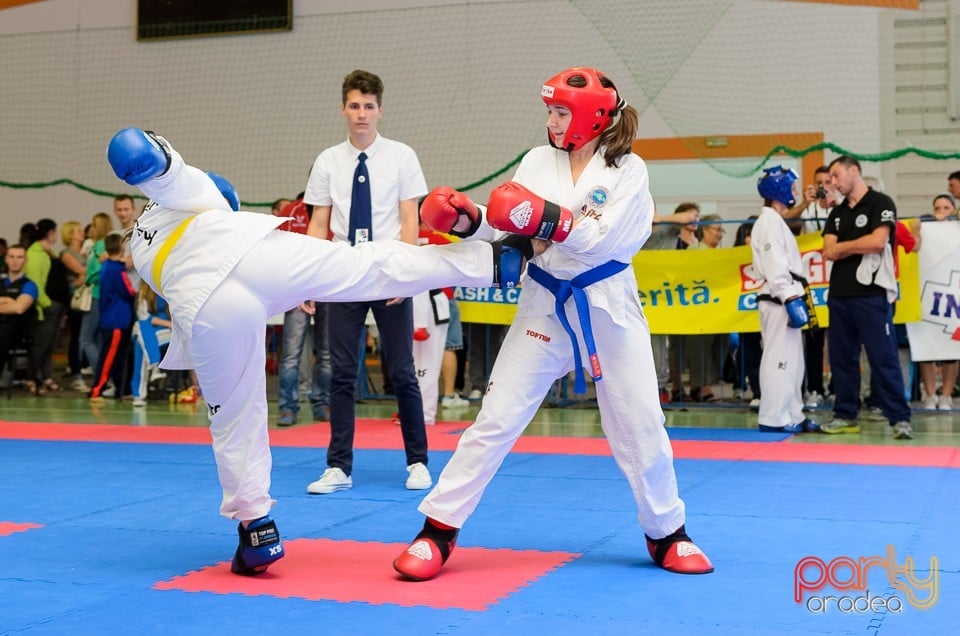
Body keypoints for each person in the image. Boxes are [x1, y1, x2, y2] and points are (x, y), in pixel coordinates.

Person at [106, 126, 529, 576]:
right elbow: (170, 175)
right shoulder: (197, 195)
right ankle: (491, 263)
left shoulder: (146, 242)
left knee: (234, 419)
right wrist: (155, 161)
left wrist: (150, 160)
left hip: (208, 303)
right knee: (368, 263)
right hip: (252, 255)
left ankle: (256, 532)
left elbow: (158, 171)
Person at [392, 67, 714, 581]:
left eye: (560, 112)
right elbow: (512, 225)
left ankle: (667, 532)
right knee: (494, 420)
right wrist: (466, 220)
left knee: (641, 424)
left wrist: (537, 216)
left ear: (590, 116)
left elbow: (592, 240)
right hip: (544, 302)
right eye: (550, 110)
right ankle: (437, 530)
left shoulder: (628, 170)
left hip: (607, 306)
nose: (551, 120)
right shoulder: (537, 161)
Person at [302, 69, 433, 495]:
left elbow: (410, 217)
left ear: (381, 109)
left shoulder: (402, 156)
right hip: (342, 272)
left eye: (369, 106)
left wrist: (409, 271)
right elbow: (319, 222)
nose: (362, 115)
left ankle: (418, 462)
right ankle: (338, 467)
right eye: (355, 106)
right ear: (343, 109)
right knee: (339, 372)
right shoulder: (327, 160)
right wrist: (305, 280)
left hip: (389, 268)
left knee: (401, 371)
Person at [821, 156, 913, 439]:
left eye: (836, 176)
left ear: (854, 171)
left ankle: (899, 418)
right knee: (842, 358)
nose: (833, 183)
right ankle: (845, 414)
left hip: (872, 296)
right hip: (839, 295)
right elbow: (828, 251)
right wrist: (856, 245)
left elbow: (877, 242)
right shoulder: (836, 214)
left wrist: (845, 247)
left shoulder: (881, 203)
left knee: (883, 357)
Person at [751, 167, 820, 433]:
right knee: (779, 359)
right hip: (779, 295)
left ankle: (793, 414)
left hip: (787, 291)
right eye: (791, 189)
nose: (794, 193)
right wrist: (789, 296)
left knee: (793, 361)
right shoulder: (768, 222)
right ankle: (772, 417)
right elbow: (773, 263)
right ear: (778, 191)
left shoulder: (776, 220)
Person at [274, 195, 331, 426]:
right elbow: (280, 251)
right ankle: (287, 407)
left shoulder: (336, 210)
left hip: (329, 291)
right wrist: (296, 289)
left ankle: (322, 403)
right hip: (296, 292)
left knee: (327, 355)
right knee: (290, 355)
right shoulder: (291, 210)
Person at [640, 204, 700, 403]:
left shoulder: (668, 228)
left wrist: (659, 218)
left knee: (658, 344)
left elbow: (691, 217)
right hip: (635, 295)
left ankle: (659, 387)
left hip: (661, 298)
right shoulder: (634, 227)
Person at [911, 194, 958, 410]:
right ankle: (930, 394)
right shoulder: (923, 229)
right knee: (925, 345)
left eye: (946, 207)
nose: (941, 211)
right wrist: (916, 228)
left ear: (954, 210)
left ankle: (947, 394)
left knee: (952, 347)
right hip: (927, 292)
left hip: (952, 295)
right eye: (937, 207)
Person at [88, 233, 136, 402]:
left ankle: (122, 389)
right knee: (109, 357)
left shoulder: (107, 266)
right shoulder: (117, 269)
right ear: (121, 248)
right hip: (116, 319)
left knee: (116, 356)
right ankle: (97, 389)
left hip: (112, 317)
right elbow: (128, 291)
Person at [23, 218, 65, 395]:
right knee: (40, 346)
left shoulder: (47, 252)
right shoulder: (35, 254)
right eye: (55, 232)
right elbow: (35, 285)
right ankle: (33, 378)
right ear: (50, 233)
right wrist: (48, 305)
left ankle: (46, 377)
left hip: (55, 306)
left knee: (50, 346)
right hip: (45, 309)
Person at [0, 245, 39, 383]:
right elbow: (14, 305)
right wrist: (7, 300)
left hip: (18, 331)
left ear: (25, 260)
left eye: (19, 257)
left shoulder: (29, 285)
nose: (15, 261)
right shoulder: (1, 282)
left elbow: (19, 308)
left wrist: (9, 303)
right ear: (6, 259)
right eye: (11, 257)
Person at [60, 221, 90, 392]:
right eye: (78, 231)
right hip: (76, 298)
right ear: (71, 234)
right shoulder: (67, 254)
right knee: (77, 336)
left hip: (87, 295)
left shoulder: (85, 252)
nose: (82, 233)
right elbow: (82, 271)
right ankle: (75, 373)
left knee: (85, 336)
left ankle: (83, 366)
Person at [129, 284, 171, 407]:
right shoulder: (144, 293)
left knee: (141, 333)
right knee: (142, 330)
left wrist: (170, 324)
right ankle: (154, 366)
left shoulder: (167, 289)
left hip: (165, 332)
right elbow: (144, 318)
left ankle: (139, 393)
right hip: (153, 328)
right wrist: (168, 323)